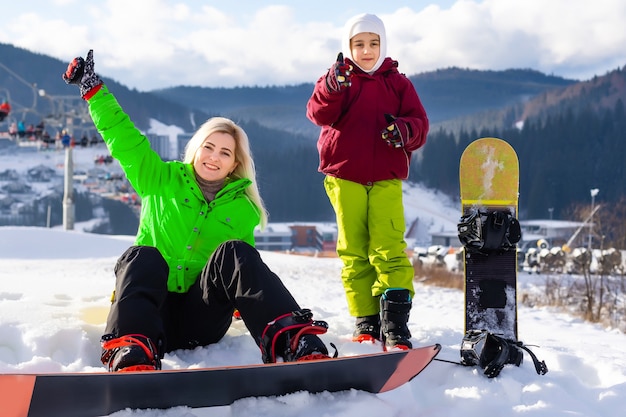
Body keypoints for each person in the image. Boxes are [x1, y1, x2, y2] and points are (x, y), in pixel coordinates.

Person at [63, 50, 332, 372]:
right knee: (142, 255)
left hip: (201, 321)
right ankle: (130, 351)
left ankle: (293, 340)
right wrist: (94, 91)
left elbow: (243, 273)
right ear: (196, 148)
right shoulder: (160, 179)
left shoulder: (243, 209)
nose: (213, 157)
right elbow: (125, 140)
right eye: (208, 147)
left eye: (224, 152)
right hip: (150, 315)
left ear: (235, 163)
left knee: (236, 250)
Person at [306, 13, 429, 350]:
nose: (366, 51)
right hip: (344, 175)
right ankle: (366, 322)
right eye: (359, 44)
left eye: (373, 43)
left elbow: (420, 125)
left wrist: (404, 130)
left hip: (386, 177)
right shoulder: (338, 79)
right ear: (348, 47)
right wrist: (332, 86)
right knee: (355, 251)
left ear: (383, 45)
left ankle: (395, 324)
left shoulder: (398, 83)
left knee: (389, 249)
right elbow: (317, 113)